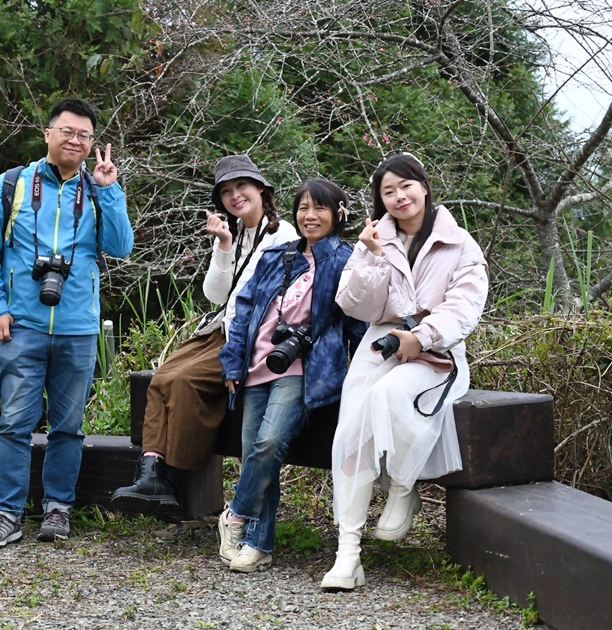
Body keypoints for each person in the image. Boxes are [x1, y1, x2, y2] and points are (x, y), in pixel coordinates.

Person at [321, 153, 488, 590]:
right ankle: (348, 552)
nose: (398, 197)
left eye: (405, 186)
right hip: (381, 343)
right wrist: (374, 257)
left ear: (424, 186)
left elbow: (464, 308)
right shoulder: (374, 239)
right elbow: (355, 305)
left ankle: (401, 483)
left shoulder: (460, 243)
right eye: (388, 191)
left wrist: (422, 336)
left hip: (437, 352)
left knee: (389, 396)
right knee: (351, 433)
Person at [0, 98, 134, 547]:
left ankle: (58, 509)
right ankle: (5, 512)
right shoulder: (13, 185)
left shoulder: (96, 190)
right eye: (67, 131)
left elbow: (121, 247)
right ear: (48, 134)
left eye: (84, 135)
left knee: (68, 426)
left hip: (79, 326)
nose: (75, 140)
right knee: (14, 424)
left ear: (92, 143)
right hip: (21, 323)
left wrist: (109, 190)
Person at [110, 156, 299, 521]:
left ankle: (171, 479)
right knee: (161, 376)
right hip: (221, 329)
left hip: (248, 337)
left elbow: (271, 298)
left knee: (183, 380)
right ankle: (151, 472)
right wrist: (224, 246)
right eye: (226, 192)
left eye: (241, 187)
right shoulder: (237, 233)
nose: (235, 196)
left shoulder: (283, 235)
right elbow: (215, 294)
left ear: (262, 189)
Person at [217, 179, 366, 572]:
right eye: (303, 208)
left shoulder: (345, 260)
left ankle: (235, 518)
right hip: (257, 364)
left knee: (268, 444)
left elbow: (357, 319)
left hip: (304, 369)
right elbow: (245, 309)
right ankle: (259, 544)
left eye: (320, 208)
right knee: (254, 453)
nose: (310, 216)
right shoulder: (277, 256)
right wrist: (233, 361)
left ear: (338, 214)